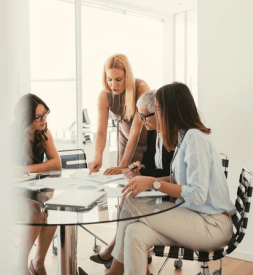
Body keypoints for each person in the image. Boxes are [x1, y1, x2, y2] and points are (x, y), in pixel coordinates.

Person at [107, 82, 235, 275]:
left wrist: (153, 183)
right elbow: (179, 179)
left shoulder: (195, 139)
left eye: (158, 110)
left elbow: (197, 195)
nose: (155, 115)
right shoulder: (185, 137)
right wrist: (147, 180)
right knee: (135, 233)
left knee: (131, 203)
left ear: (172, 111)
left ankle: (114, 271)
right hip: (195, 217)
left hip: (212, 225)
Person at [89, 90, 174, 269]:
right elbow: (152, 163)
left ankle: (114, 259)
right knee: (128, 199)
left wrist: (147, 179)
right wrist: (140, 169)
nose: (141, 122)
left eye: (144, 116)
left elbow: (174, 174)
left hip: (169, 195)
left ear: (158, 112)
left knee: (129, 201)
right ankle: (121, 261)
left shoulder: (173, 137)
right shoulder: (153, 131)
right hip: (159, 187)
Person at [12, 94, 61, 275]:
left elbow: (56, 163)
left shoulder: (43, 132)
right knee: (35, 211)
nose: (44, 119)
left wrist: (28, 169)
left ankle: (38, 263)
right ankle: (21, 266)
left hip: (34, 191)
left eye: (45, 114)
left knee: (53, 210)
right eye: (38, 117)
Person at [89, 54, 150, 176]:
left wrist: (123, 165)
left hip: (148, 143)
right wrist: (98, 157)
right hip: (126, 142)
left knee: (146, 181)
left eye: (118, 79)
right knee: (123, 181)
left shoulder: (141, 88)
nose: (113, 85)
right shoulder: (104, 96)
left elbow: (135, 130)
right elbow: (101, 133)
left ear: (127, 77)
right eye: (109, 79)